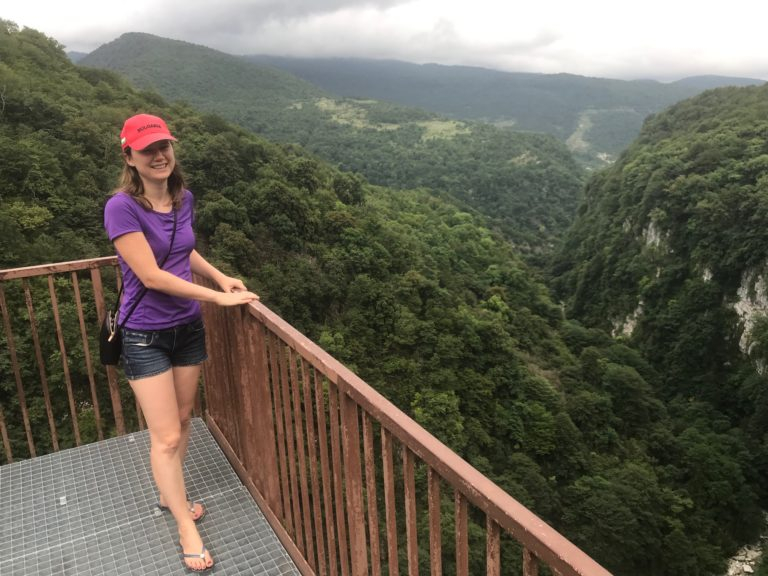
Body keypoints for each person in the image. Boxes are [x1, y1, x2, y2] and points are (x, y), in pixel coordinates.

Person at [104, 113, 259, 572]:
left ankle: (170, 493)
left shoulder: (182, 198)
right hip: (144, 334)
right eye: (147, 148)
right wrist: (214, 297)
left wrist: (219, 276)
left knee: (184, 421)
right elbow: (151, 275)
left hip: (187, 327)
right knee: (166, 435)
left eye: (164, 146)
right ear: (129, 156)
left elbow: (181, 248)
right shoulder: (121, 208)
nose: (159, 155)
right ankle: (183, 523)